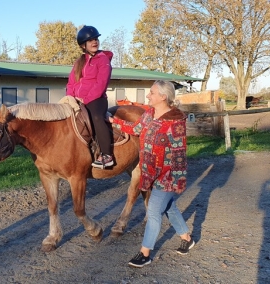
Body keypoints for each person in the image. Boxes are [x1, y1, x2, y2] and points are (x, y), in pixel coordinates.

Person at [109, 80, 194, 268]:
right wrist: (114, 121)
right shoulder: (149, 114)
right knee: (168, 207)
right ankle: (187, 238)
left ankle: (145, 253)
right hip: (150, 172)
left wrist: (179, 180)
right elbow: (135, 129)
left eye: (152, 92)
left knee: (154, 210)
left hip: (167, 174)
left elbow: (179, 152)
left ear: (163, 96)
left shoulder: (175, 121)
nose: (148, 96)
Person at [66, 25, 115, 169]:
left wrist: (85, 99)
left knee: (97, 117)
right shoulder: (79, 62)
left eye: (96, 39)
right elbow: (71, 82)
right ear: (83, 45)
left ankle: (107, 155)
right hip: (76, 99)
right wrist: (70, 97)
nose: (95, 42)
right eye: (90, 40)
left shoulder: (103, 60)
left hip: (97, 99)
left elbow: (101, 83)